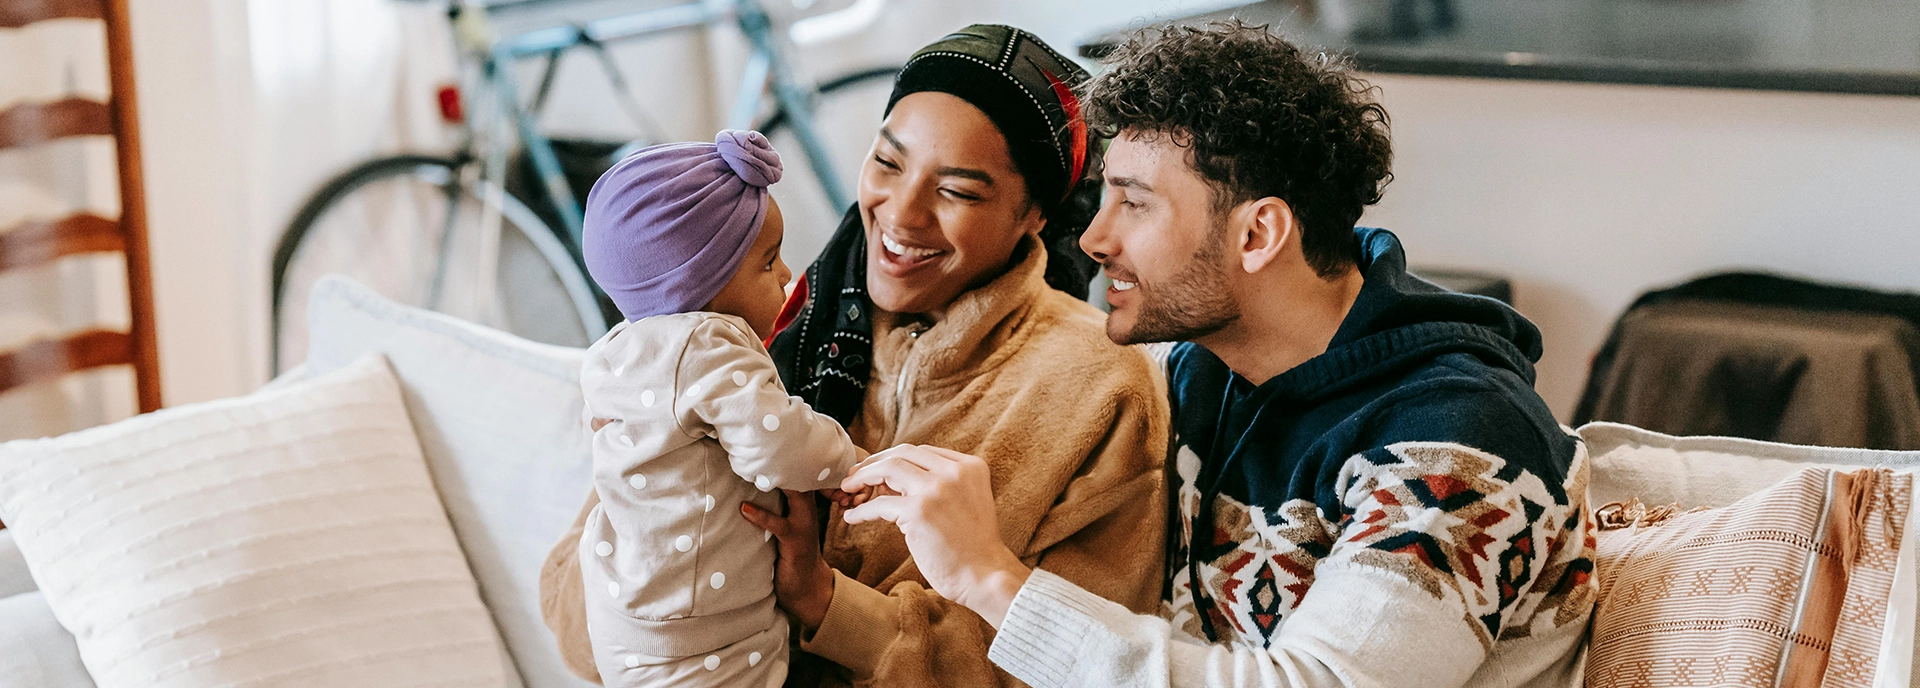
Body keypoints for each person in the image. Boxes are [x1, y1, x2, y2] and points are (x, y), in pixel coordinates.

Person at [836, 22, 1596, 688]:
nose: (1094, 240)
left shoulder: (1459, 443)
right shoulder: (1205, 370)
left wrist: (988, 576)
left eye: (1133, 203)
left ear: (1258, 234)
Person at [541, 25, 1172, 688]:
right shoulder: (745, 324)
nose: (901, 214)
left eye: (956, 190)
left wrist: (823, 602)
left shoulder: (1100, 387)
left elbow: (1085, 667)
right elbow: (569, 612)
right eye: (888, 163)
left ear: (1035, 215)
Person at [573, 130, 867, 687]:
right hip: (704, 627)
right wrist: (850, 463)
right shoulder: (708, 343)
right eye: (768, 262)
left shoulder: (614, 351)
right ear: (700, 282)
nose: (786, 275)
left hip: (628, 612)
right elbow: (778, 444)